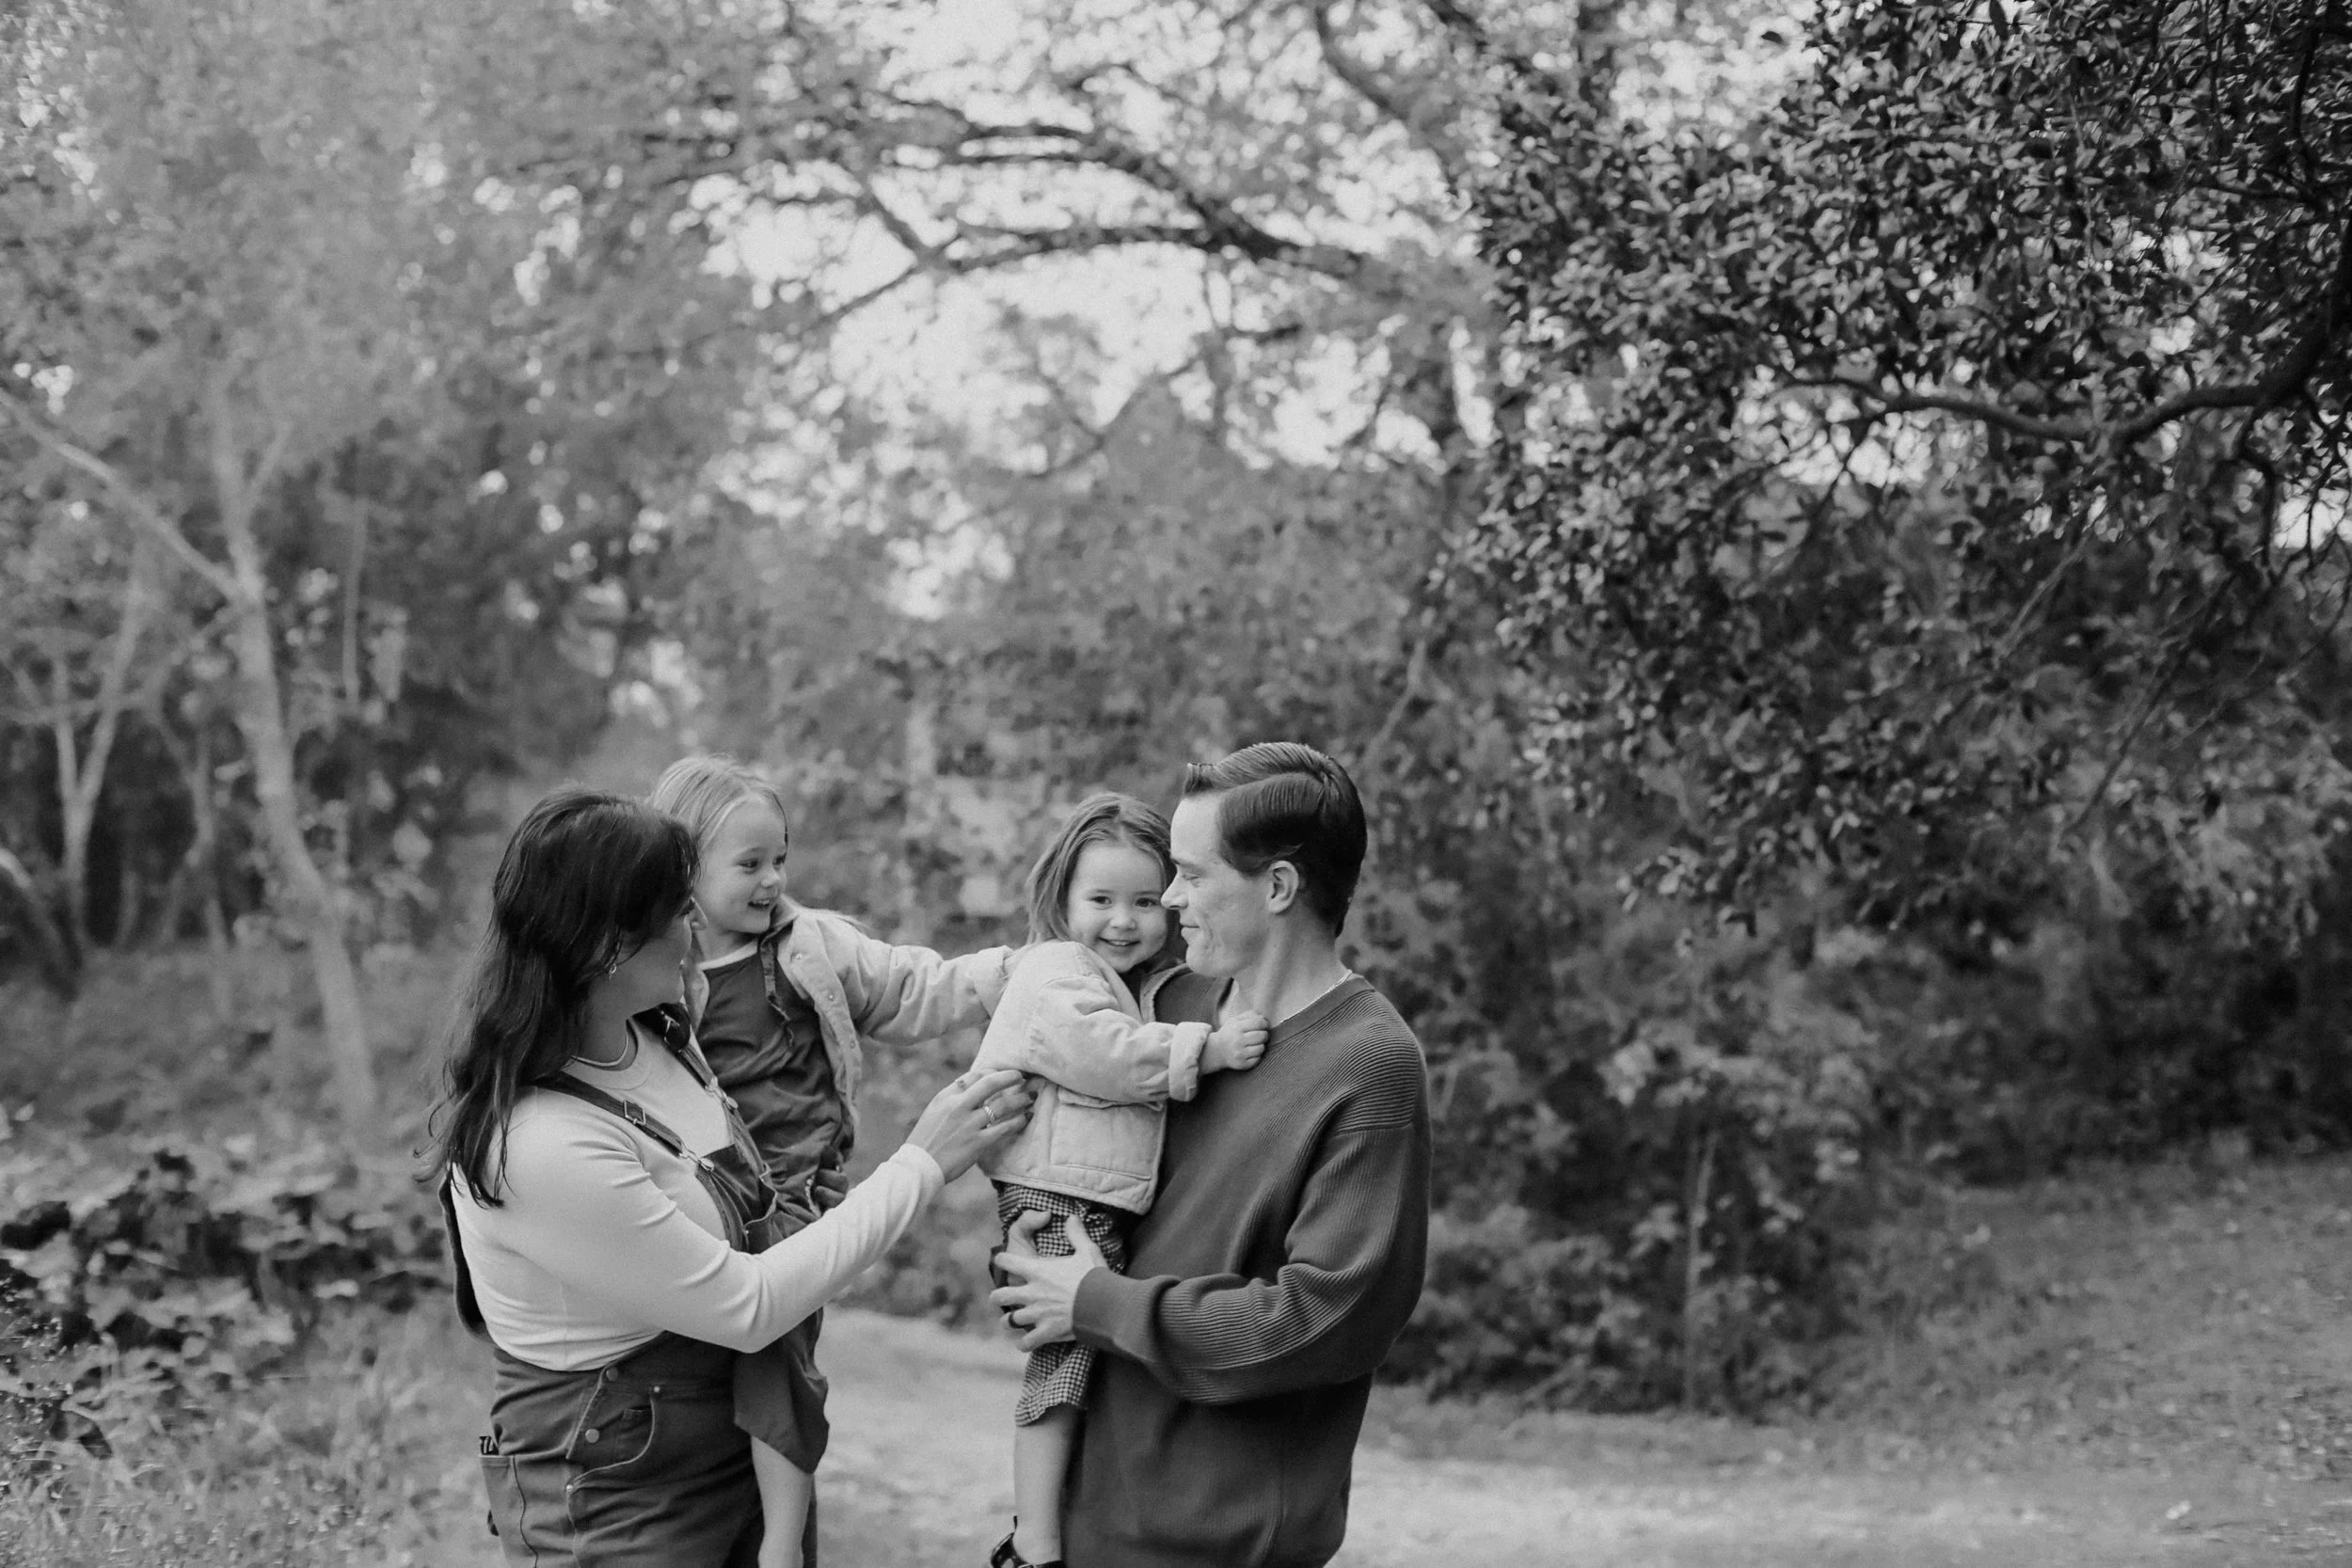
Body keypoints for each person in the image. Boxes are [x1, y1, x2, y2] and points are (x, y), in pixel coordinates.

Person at [431, 787, 1031, 1568]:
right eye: (680, 911)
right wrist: (923, 1161)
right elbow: (746, 1304)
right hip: (620, 1499)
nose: (697, 930)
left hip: (730, 1454)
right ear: (612, 944)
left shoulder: (653, 1033)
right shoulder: (539, 1144)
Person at [991, 743, 1431, 1568]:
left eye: (1191, 875)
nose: (1167, 897)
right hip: (1084, 1526)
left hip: (1221, 1545)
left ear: (1276, 887)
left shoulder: (1369, 1064)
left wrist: (1098, 1301)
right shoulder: (1169, 1012)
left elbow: (1319, 1321)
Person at [647, 754, 1018, 1568]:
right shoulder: (654, 972)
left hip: (794, 1192)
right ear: (682, 866)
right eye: (749, 864)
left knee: (775, 1349)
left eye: (780, 858)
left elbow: (908, 986)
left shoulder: (808, 945)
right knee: (706, 1362)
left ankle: (782, 1542)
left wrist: (1004, 972)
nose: (773, 879)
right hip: (705, 1196)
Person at [966, 794, 1269, 1568]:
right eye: (1100, 900)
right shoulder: (1055, 973)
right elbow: (1109, 1054)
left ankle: (1075, 1512)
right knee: (1065, 1355)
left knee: (1093, 1352)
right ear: (1062, 897)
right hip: (1057, 1197)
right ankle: (1033, 1539)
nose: (1124, 920)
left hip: (1080, 1189)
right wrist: (1208, 1049)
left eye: (1144, 900)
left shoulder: (1117, 976)